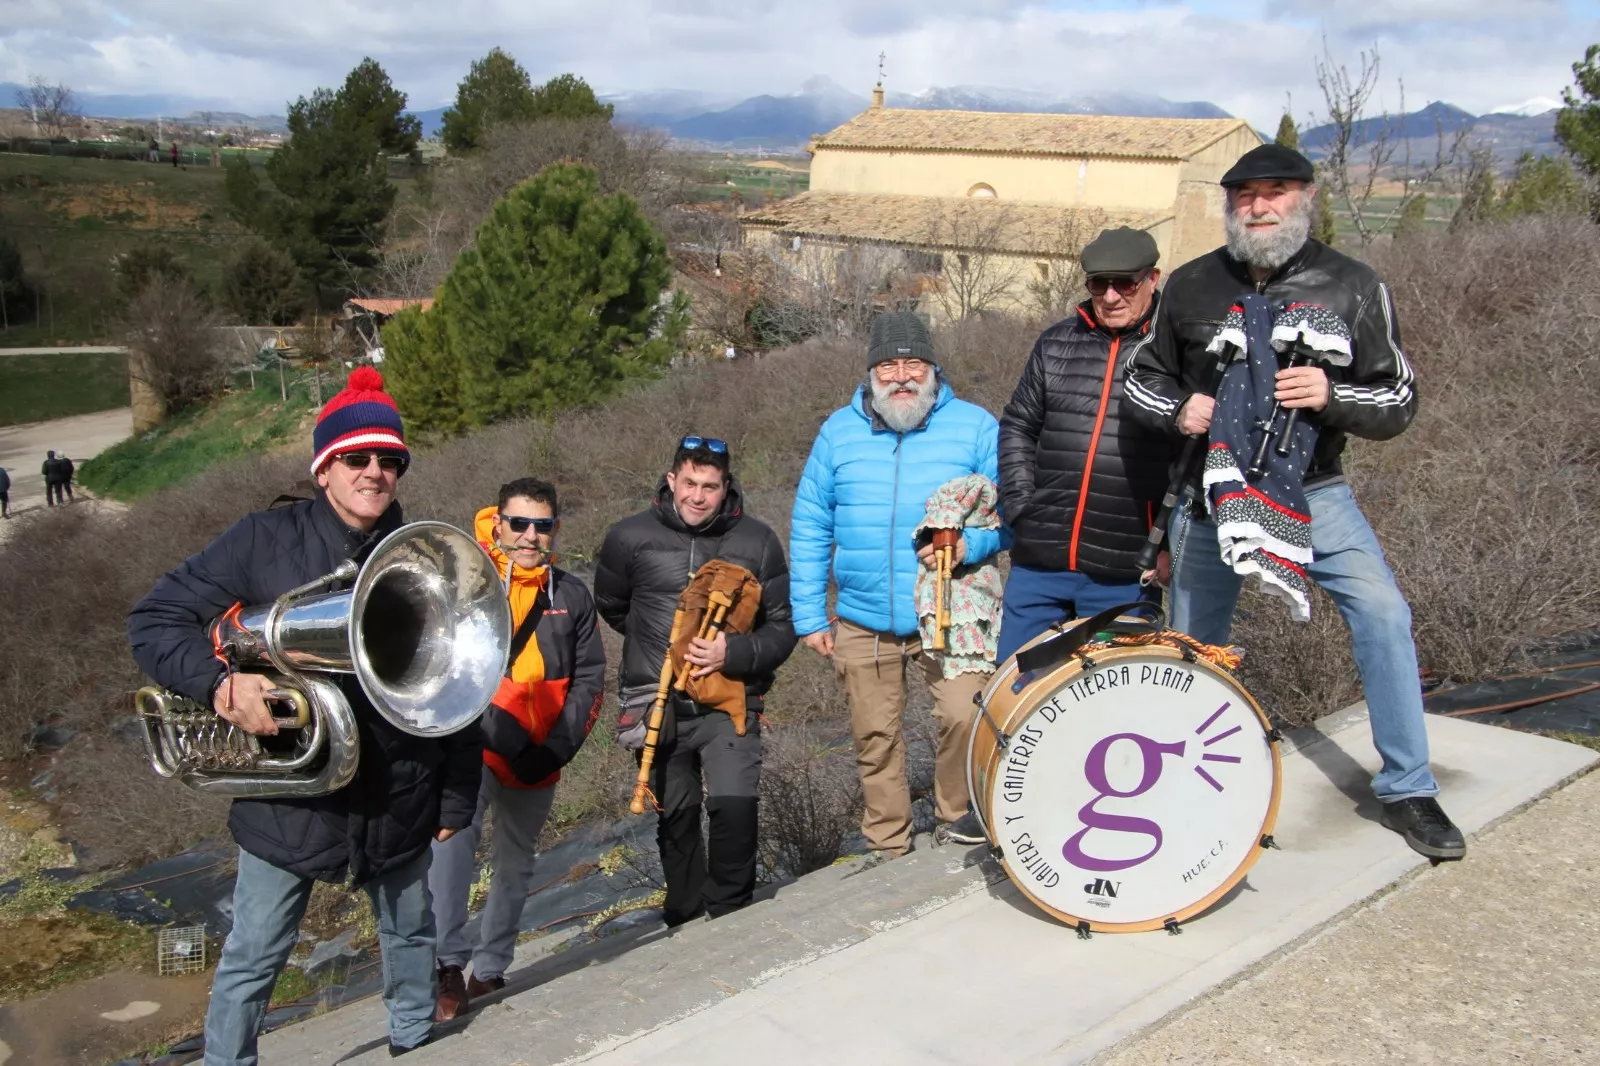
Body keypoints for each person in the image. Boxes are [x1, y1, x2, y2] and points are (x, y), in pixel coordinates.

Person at [1123, 143, 1465, 860]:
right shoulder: (1188, 287)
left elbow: (1398, 397)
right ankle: (1185, 791)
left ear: (1305, 198)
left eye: (1275, 191)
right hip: (1211, 494)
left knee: (1383, 615)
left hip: (1317, 493)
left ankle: (1408, 787)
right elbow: (1140, 380)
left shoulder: (1353, 286)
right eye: (1245, 194)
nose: (1259, 205)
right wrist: (1183, 408)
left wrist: (1332, 395)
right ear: (1229, 205)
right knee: (1193, 646)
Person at [127, 369, 480, 1062]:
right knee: (256, 952)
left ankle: (415, 1041)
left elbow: (459, 684)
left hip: (399, 790)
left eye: (389, 461)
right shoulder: (263, 538)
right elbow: (155, 617)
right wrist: (220, 688)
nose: (374, 473)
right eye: (356, 458)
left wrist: (457, 793)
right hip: (291, 802)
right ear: (324, 468)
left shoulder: (423, 553)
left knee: (412, 934)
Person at [790, 312, 1002, 856]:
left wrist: (970, 547)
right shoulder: (837, 432)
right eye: (889, 365)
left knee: (965, 714)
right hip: (863, 615)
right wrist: (810, 614)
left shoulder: (976, 426)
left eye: (913, 364)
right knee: (874, 736)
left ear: (933, 368)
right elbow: (811, 522)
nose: (902, 376)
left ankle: (960, 819)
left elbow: (1012, 514)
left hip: (952, 606)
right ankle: (888, 846)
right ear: (871, 372)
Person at [593, 437, 795, 927]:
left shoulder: (758, 541)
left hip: (729, 701)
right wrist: (663, 647)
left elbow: (783, 627)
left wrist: (733, 652)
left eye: (710, 486)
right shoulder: (628, 537)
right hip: (655, 704)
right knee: (676, 818)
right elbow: (614, 605)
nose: (698, 497)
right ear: (671, 481)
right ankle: (685, 916)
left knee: (735, 809)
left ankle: (729, 915)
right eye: (689, 484)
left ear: (726, 488)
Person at [429, 477, 604, 1020]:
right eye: (520, 523)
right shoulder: (465, 586)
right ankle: (445, 967)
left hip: (541, 754)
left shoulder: (571, 595)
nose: (531, 536)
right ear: (498, 522)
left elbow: (590, 678)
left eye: (543, 525)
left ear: (555, 530)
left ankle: (490, 967)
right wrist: (502, 736)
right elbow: (446, 672)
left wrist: (556, 750)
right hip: (473, 746)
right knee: (451, 846)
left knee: (516, 863)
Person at [996, 227, 1176, 664]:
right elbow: (1018, 424)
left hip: (1127, 571)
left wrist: (1171, 538)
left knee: (1113, 705)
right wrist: (1022, 505)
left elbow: (1197, 455)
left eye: (1125, 283)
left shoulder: (1178, 355)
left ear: (1153, 278)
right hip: (1040, 565)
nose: (1111, 296)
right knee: (1018, 694)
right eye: (1099, 283)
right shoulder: (1056, 343)